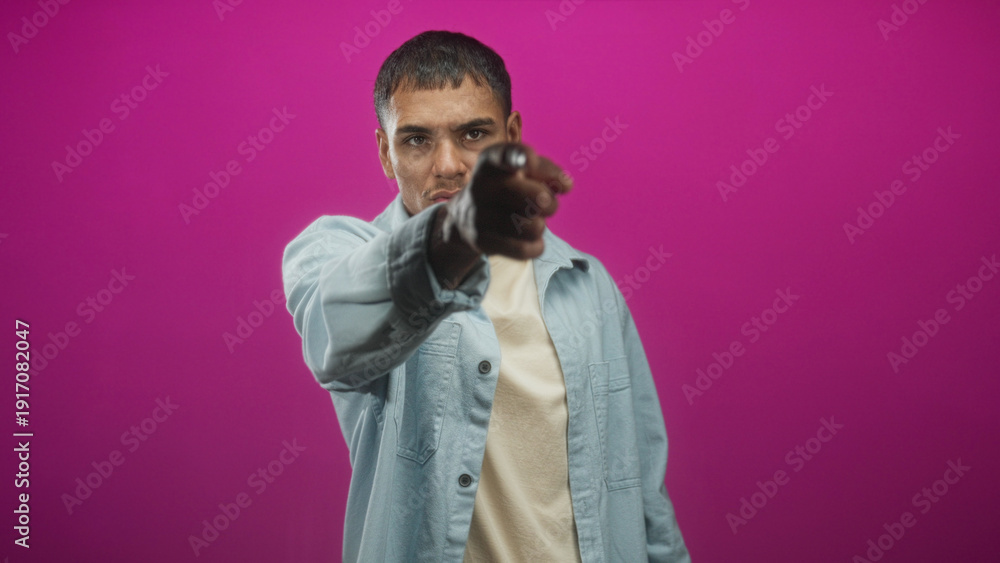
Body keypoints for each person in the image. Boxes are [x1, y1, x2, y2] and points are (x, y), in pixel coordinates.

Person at [282, 30, 690, 562]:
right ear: (385, 152)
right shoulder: (337, 253)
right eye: (417, 140)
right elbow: (336, 339)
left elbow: (643, 489)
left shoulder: (587, 285)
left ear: (512, 137)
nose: (448, 165)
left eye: (474, 134)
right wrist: (455, 235)